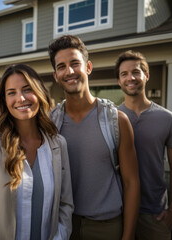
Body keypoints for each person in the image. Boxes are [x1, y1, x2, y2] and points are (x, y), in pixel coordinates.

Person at [0, 64, 74, 239]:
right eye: (11, 93)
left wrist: (60, 236)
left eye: (27, 89)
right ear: (4, 100)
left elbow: (65, 204)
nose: (21, 98)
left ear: (39, 92)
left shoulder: (58, 144)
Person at [49, 35, 140, 240]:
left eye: (75, 63)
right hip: (63, 225)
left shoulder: (117, 120)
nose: (69, 71)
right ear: (56, 75)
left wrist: (128, 236)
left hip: (106, 227)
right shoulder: (50, 124)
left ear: (88, 67)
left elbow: (131, 182)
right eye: (61, 66)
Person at [115, 50, 172, 240]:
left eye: (136, 72)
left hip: (155, 214)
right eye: (124, 74)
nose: (131, 78)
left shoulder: (167, 119)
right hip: (117, 212)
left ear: (146, 75)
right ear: (119, 81)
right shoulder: (111, 118)